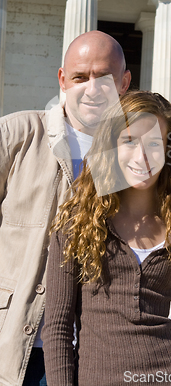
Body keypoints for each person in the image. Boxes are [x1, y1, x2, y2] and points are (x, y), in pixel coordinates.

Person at [42, 90, 171, 386]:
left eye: (154, 143)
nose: (142, 156)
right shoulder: (77, 226)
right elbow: (58, 330)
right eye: (129, 141)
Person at [0, 30, 131, 386]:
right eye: (79, 77)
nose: (91, 88)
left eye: (103, 77)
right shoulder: (16, 135)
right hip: (12, 346)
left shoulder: (134, 157)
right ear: (62, 79)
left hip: (90, 352)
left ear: (124, 82)